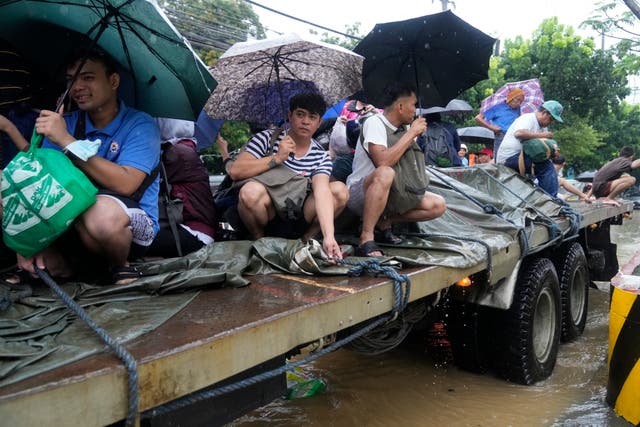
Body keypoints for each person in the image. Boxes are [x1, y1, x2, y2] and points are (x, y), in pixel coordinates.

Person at [15, 49, 161, 285]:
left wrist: (66, 141)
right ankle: (58, 263)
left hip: (127, 228)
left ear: (113, 81)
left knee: (100, 212)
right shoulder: (65, 123)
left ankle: (119, 266)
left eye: (88, 77)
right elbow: (41, 183)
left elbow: (126, 184)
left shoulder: (140, 124)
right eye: (71, 79)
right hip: (70, 221)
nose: (77, 87)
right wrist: (24, 236)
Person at [228, 92, 348, 259]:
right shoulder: (266, 138)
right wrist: (277, 158)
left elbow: (322, 191)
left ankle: (307, 240)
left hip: (296, 215)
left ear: (319, 122)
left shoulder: (320, 155)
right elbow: (236, 171)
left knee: (339, 190)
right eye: (300, 114)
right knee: (250, 191)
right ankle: (259, 241)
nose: (305, 121)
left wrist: (329, 236)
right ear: (290, 116)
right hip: (267, 213)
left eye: (312, 117)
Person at [346, 82, 446, 257]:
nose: (415, 110)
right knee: (386, 172)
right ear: (400, 106)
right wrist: (410, 134)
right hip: (361, 192)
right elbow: (383, 162)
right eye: (413, 105)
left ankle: (385, 221)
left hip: (394, 193)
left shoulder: (404, 128)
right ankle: (366, 237)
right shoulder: (374, 122)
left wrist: (412, 135)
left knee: (438, 205)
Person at [496, 100, 564, 197]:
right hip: (509, 158)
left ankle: (544, 197)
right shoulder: (527, 118)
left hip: (524, 158)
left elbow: (542, 148)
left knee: (546, 164)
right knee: (546, 168)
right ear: (545, 113)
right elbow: (519, 133)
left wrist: (553, 151)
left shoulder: (542, 127)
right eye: (551, 119)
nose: (551, 123)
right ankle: (550, 199)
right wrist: (542, 135)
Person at [475, 88, 525, 156]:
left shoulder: (518, 109)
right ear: (511, 97)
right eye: (518, 99)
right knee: (499, 159)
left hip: (514, 137)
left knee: (513, 160)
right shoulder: (497, 107)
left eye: (521, 101)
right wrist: (491, 127)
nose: (519, 103)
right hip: (501, 136)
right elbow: (478, 118)